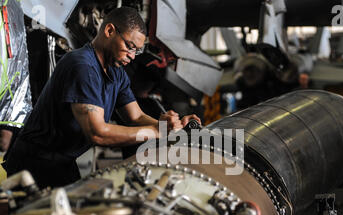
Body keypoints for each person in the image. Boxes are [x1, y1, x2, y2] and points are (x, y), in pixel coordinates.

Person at [2, 7, 200, 188]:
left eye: (137, 51)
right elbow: (98, 133)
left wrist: (170, 127)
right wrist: (155, 132)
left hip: (62, 162)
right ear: (109, 31)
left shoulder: (116, 72)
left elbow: (135, 117)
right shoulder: (82, 66)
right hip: (33, 164)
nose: (132, 56)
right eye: (130, 46)